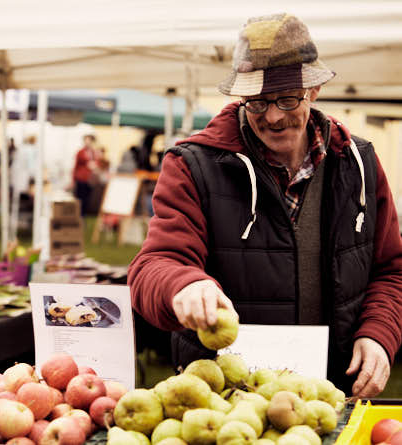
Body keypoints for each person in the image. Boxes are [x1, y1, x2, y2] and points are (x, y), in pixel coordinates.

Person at [128, 13, 402, 397]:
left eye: (287, 99)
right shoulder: (193, 166)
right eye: (256, 103)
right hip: (223, 396)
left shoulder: (358, 163)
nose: (273, 116)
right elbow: (150, 267)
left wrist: (379, 332)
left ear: (313, 91)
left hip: (330, 392)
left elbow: (391, 272)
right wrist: (183, 284)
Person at [73, 134, 100, 215]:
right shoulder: (80, 152)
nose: (87, 142)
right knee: (80, 198)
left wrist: (95, 165)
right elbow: (76, 166)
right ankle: (78, 215)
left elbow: (98, 162)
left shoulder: (94, 152)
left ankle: (84, 214)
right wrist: (73, 179)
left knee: (87, 199)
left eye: (89, 141)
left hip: (90, 179)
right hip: (81, 178)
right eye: (86, 140)